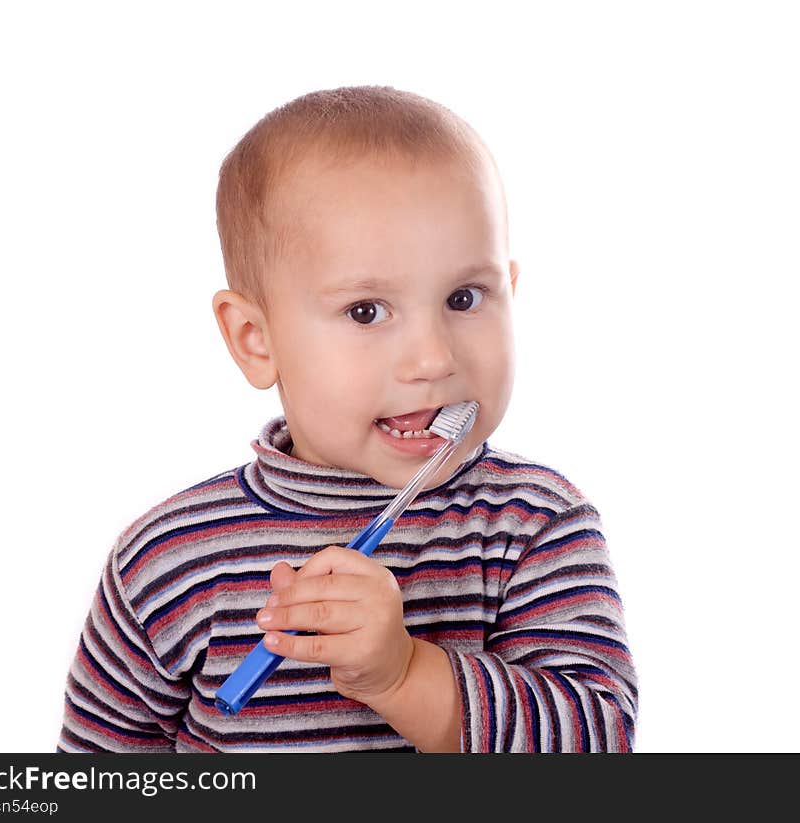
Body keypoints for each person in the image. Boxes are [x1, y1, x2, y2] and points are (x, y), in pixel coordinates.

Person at [57, 86, 638, 753]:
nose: (432, 357)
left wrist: (406, 674)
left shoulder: (533, 523)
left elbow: (597, 744)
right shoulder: (165, 559)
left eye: (464, 297)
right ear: (255, 338)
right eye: (366, 311)